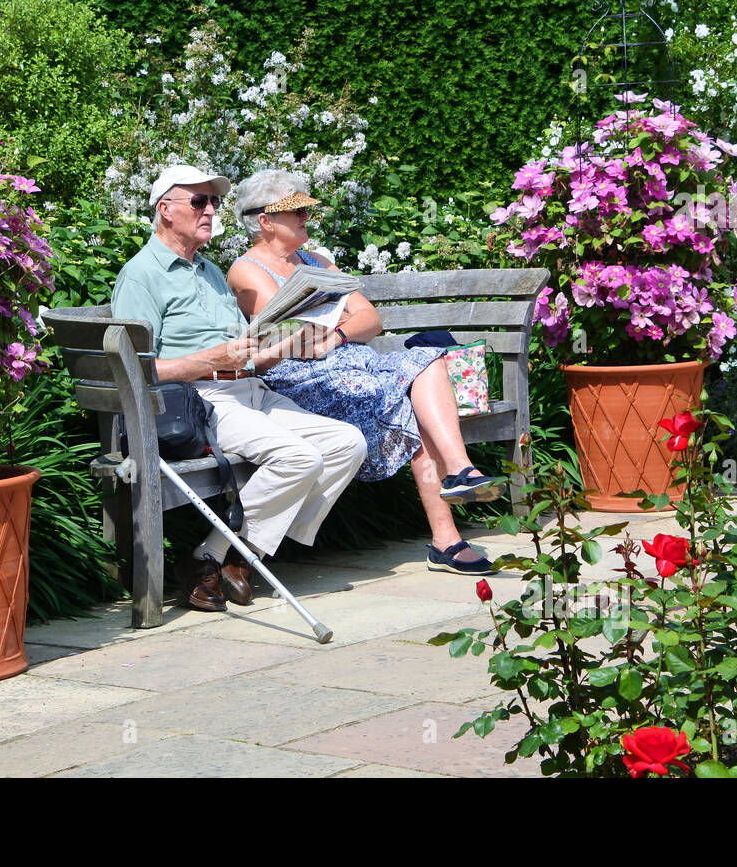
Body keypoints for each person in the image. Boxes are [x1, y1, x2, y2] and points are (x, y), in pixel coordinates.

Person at [111, 164, 368, 612]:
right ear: (165, 209)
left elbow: (242, 348)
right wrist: (205, 361)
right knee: (298, 457)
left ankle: (232, 554)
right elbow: (134, 367)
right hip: (200, 400)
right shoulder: (141, 276)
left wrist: (285, 346)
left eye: (213, 202)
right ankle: (219, 559)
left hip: (250, 389)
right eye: (199, 201)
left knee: (348, 442)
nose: (211, 210)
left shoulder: (209, 271)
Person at [226, 169, 501, 576]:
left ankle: (460, 472)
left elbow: (370, 320)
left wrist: (336, 336)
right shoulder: (245, 270)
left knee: (426, 362)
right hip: (299, 381)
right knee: (409, 396)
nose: (306, 217)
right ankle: (446, 541)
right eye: (295, 211)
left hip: (351, 364)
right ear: (265, 221)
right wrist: (333, 324)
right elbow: (289, 330)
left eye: (305, 209)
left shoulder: (315, 261)